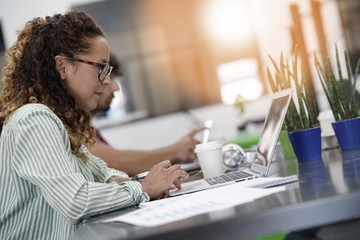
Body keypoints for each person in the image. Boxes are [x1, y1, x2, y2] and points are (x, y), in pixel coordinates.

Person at [0, 10, 188, 239]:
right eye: (101, 68)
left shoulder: (59, 121)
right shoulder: (34, 118)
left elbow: (98, 168)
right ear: (62, 66)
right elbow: (75, 201)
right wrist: (143, 188)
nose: (108, 80)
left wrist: (115, 180)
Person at [88, 53, 205, 176]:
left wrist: (178, 153)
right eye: (108, 78)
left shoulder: (92, 132)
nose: (115, 88)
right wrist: (176, 150)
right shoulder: (74, 135)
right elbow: (121, 164)